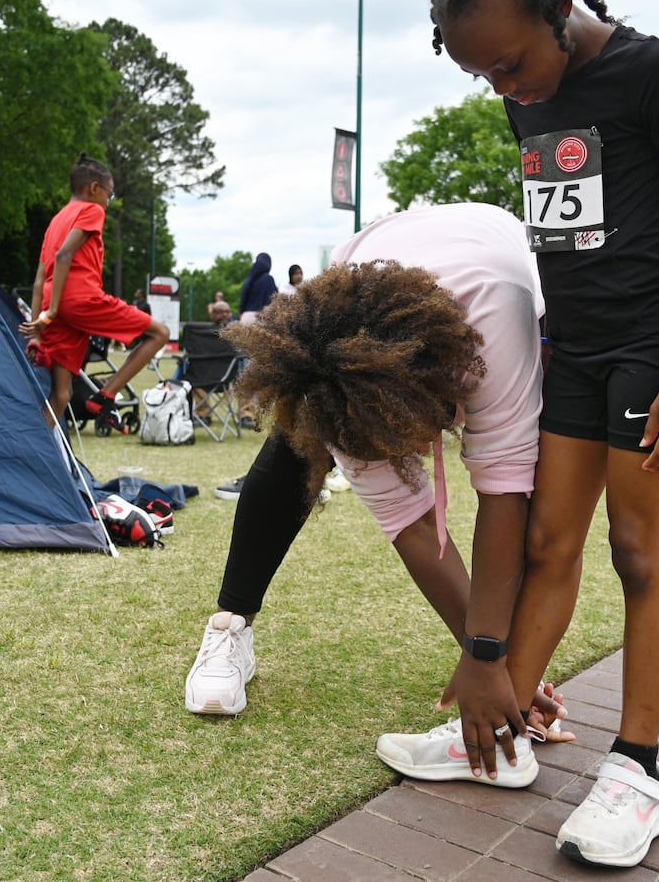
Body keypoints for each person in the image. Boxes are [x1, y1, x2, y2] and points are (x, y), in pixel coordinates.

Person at [394, 0, 659, 868]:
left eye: (509, 64)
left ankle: (639, 772)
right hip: (573, 346)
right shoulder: (520, 86)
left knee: (637, 547)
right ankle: (498, 733)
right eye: (482, 74)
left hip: (652, 342)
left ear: (558, 6)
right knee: (549, 540)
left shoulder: (650, 70)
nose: (505, 87)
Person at [182, 203, 570, 743]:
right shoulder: (334, 361)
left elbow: (503, 495)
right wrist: (490, 665)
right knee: (296, 446)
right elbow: (413, 526)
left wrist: (496, 661)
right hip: (372, 276)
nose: (398, 455)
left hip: (500, 271)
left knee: (538, 467)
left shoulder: (497, 315)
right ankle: (230, 625)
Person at [20, 153, 169, 429]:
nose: (107, 203)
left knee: (62, 394)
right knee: (160, 333)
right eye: (109, 195)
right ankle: (106, 395)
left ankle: (34, 454)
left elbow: (40, 278)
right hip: (78, 300)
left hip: (54, 305)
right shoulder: (92, 210)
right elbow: (65, 256)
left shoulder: (56, 220)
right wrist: (52, 311)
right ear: (93, 189)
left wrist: (39, 322)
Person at [238, 253, 277, 325]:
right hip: (261, 317)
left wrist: (241, 313)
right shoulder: (268, 279)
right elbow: (273, 300)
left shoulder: (249, 279)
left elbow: (243, 299)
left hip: (245, 317)